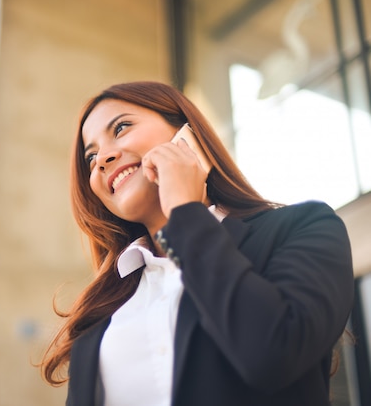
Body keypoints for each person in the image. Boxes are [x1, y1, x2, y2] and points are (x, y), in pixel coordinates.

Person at [40, 81, 354, 406]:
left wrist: (183, 213)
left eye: (121, 127)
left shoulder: (303, 228)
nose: (102, 159)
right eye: (91, 157)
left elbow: (271, 354)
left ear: (186, 133)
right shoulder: (102, 308)